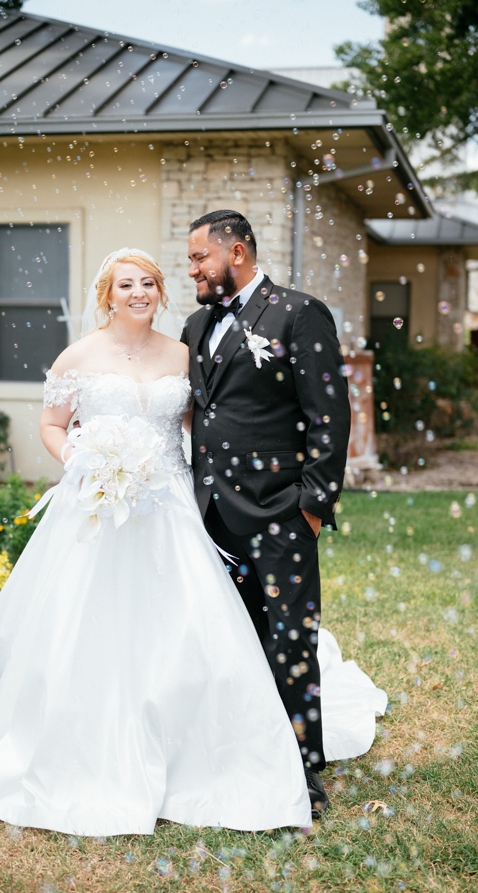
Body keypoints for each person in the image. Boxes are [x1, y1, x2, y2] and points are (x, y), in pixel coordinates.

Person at [0, 247, 386, 837]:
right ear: (107, 294)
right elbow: (52, 425)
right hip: (95, 504)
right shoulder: (78, 355)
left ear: (160, 292)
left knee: (189, 620)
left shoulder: (184, 350)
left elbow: (204, 425)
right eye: (126, 284)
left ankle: (199, 729)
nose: (139, 292)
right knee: (86, 621)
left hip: (171, 504)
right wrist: (86, 462)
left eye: (149, 282)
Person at [181, 209, 352, 816]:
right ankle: (244, 747)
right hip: (212, 517)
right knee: (235, 638)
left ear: (239, 253)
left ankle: (302, 769)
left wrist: (311, 505)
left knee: (289, 639)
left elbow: (330, 415)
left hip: (280, 511)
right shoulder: (196, 324)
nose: (192, 268)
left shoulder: (298, 313)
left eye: (201, 257)